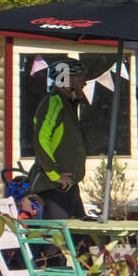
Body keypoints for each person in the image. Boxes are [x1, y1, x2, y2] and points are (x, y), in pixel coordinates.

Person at [31, 60, 88, 220]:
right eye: (80, 78)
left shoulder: (67, 104)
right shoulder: (54, 102)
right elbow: (41, 139)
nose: (84, 83)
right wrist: (54, 174)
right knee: (58, 240)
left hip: (68, 185)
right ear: (66, 79)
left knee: (78, 239)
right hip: (54, 186)